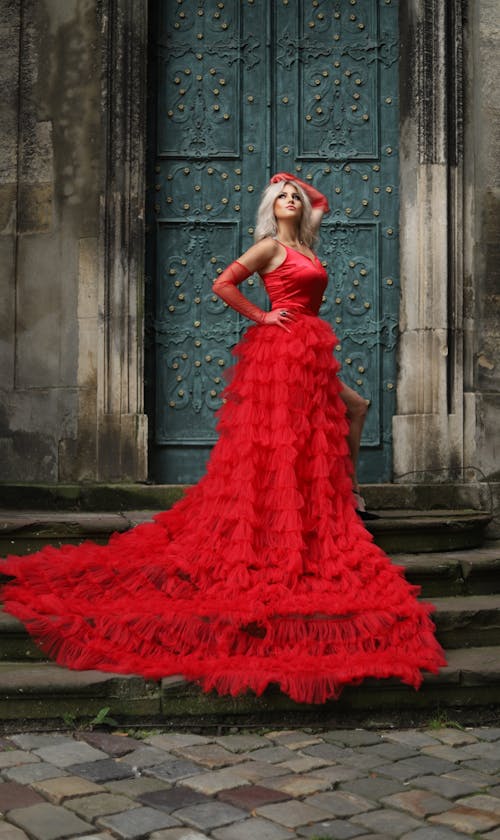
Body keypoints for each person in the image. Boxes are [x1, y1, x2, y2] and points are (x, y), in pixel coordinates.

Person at [0, 174, 446, 705]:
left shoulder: (306, 239)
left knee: (351, 409)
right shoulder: (270, 246)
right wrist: (262, 315)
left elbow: (321, 200)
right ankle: (340, 499)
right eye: (281, 195)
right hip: (282, 349)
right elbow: (221, 284)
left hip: (309, 349)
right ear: (270, 208)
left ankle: (342, 495)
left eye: (293, 198)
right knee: (290, 438)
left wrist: (294, 184)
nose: (290, 200)